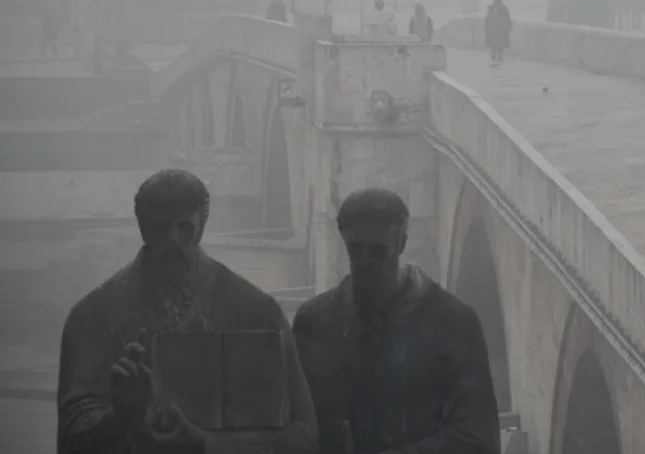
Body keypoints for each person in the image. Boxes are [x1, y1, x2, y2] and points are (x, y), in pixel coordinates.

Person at [57, 169, 318, 454]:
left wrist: (207, 444)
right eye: (161, 228)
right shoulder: (93, 317)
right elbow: (74, 441)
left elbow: (303, 438)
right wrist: (121, 416)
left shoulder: (258, 312)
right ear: (142, 227)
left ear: (201, 226)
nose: (173, 240)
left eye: (184, 228)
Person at [293, 187, 500, 454]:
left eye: (377, 251)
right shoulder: (315, 323)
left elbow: (478, 437)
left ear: (401, 243)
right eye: (357, 252)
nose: (366, 263)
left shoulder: (453, 323)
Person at [484, 0, 512, 65]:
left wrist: (487, 29)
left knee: (495, 43)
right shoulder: (503, 9)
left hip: (495, 30)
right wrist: (508, 27)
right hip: (500, 30)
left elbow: (487, 20)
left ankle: (495, 55)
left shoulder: (492, 9)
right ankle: (498, 56)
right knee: (500, 44)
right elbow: (507, 20)